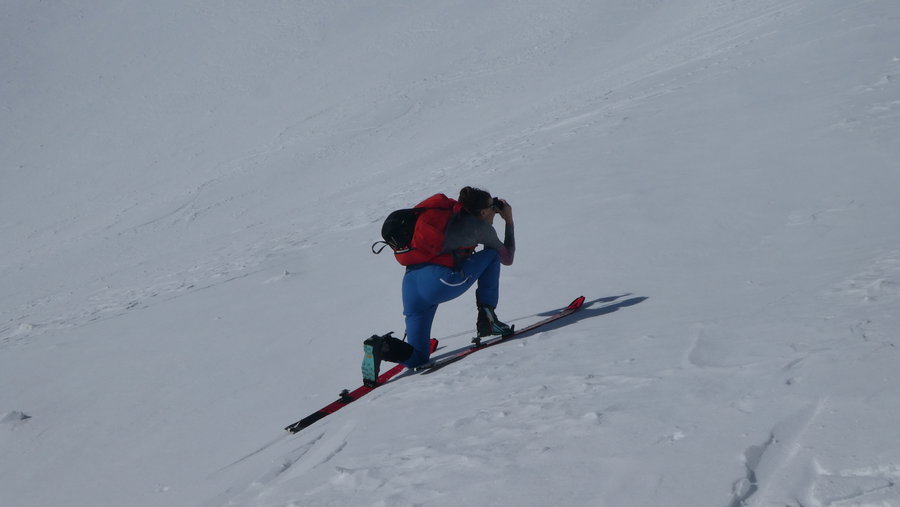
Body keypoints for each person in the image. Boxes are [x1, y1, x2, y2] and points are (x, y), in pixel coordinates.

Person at [363, 186, 516, 378]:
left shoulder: (445, 217)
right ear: (483, 211)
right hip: (439, 282)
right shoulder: (479, 227)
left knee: (419, 357)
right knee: (493, 255)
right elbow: (506, 258)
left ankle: (383, 347)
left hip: (411, 285)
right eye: (492, 207)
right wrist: (508, 220)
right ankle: (488, 319)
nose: (495, 210)